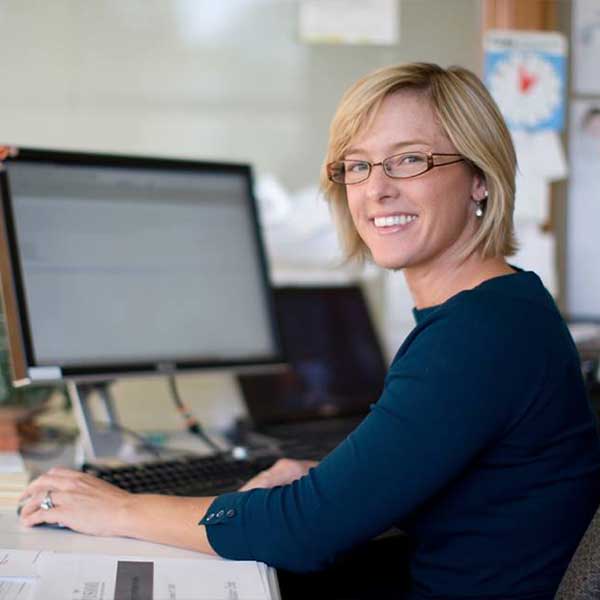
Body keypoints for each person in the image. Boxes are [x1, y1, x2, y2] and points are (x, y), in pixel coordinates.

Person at [16, 62, 600, 599]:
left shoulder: (479, 335)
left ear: (479, 176)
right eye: (359, 165)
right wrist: (332, 479)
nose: (376, 189)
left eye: (410, 159)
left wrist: (120, 508)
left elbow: (307, 531)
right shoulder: (504, 306)